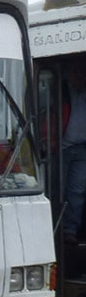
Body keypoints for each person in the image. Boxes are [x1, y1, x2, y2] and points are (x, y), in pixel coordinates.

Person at [62, 61, 86, 243]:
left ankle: (70, 230)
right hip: (61, 147)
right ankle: (55, 227)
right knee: (58, 188)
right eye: (77, 71)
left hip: (82, 148)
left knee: (76, 191)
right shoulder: (60, 88)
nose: (80, 76)